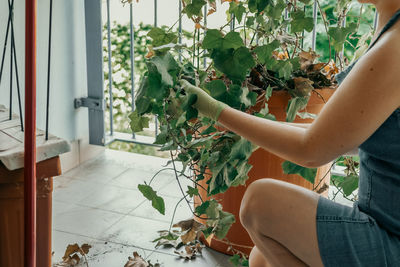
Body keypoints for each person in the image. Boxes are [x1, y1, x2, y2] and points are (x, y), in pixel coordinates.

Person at [180, 0, 400, 266]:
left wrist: (216, 111)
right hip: (380, 223)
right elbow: (343, 135)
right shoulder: (389, 24)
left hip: (391, 239)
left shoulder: (395, 46)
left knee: (261, 203)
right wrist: (248, 131)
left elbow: (313, 149)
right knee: (260, 259)